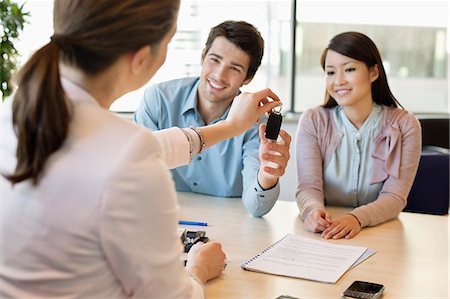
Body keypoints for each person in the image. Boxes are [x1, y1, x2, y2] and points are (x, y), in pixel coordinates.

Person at [0, 1, 282, 297]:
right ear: (141, 58)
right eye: (169, 41)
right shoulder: (131, 154)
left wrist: (231, 127)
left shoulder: (13, 114)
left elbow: (151, 147)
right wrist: (198, 269)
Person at [134, 20, 291, 217]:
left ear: (247, 78)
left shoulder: (256, 124)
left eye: (234, 68)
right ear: (202, 57)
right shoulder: (159, 99)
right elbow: (137, 172)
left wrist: (267, 176)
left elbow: (256, 208)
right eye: (214, 60)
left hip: (228, 225)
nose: (219, 75)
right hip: (164, 217)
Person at [295, 31, 421, 240]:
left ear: (373, 72)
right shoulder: (313, 120)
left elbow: (395, 197)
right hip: (326, 233)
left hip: (381, 233)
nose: (338, 81)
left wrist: (356, 218)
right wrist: (311, 210)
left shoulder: (405, 125)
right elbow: (308, 186)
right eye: (330, 72)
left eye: (350, 69)